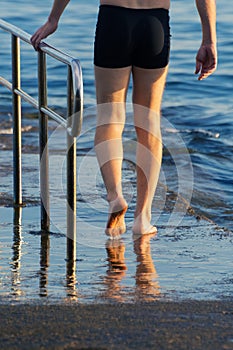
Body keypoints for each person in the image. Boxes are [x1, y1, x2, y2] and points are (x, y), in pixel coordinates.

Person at [31, 0, 217, 237]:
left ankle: (114, 196)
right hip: (155, 23)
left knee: (109, 117)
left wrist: (53, 19)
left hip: (113, 20)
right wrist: (209, 39)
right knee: (149, 120)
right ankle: (143, 219)